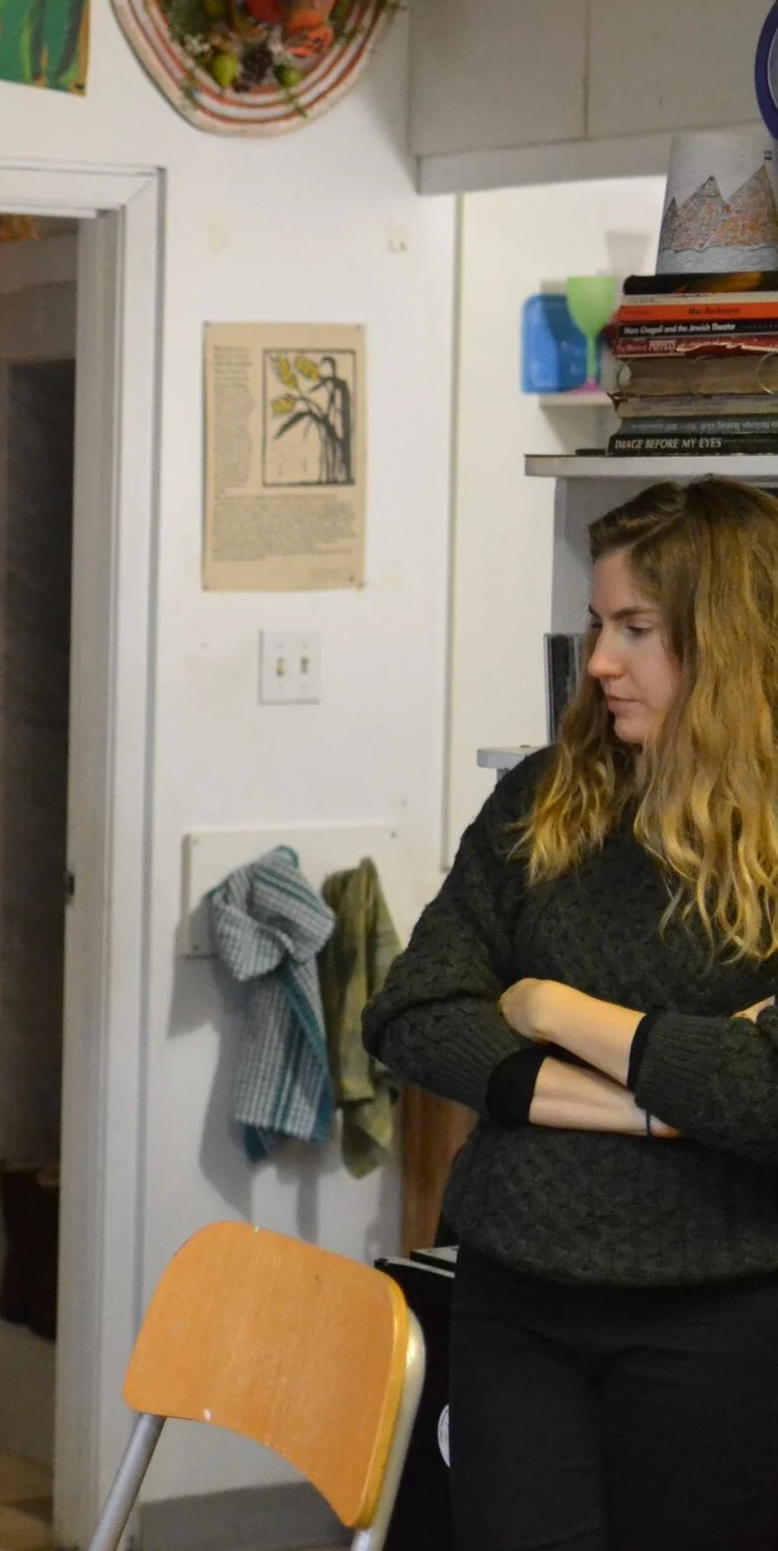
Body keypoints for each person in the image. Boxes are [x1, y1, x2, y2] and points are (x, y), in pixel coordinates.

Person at [364, 479, 778, 1550]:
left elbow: (768, 1095)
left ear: (726, 643)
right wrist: (659, 1102)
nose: (598, 662)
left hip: (723, 1313)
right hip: (515, 1297)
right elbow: (414, 1011)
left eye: (635, 629)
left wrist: (552, 1005)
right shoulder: (549, 795)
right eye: (599, 625)